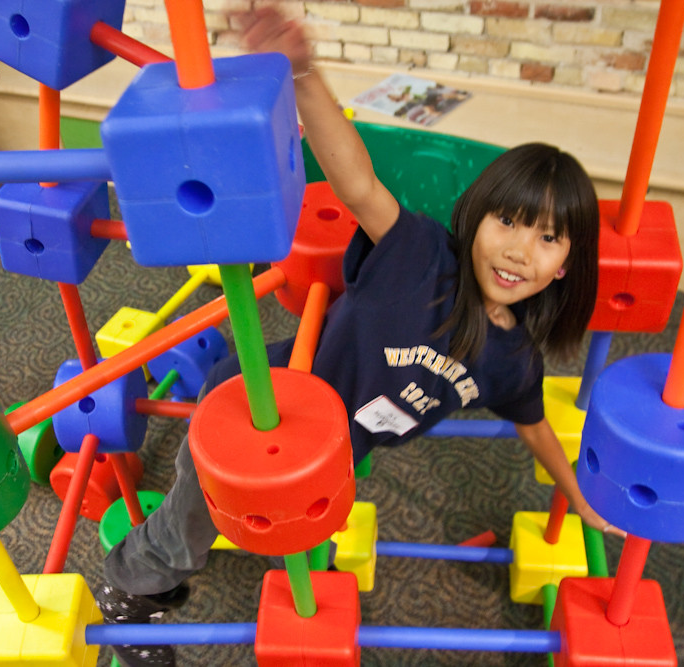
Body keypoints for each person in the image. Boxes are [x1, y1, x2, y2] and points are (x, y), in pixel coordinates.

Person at [96, 8, 622, 666]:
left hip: (326, 451)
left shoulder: (513, 359)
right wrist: (306, 72)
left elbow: (536, 425)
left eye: (547, 237)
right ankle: (131, 586)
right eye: (509, 222)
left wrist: (578, 497)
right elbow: (357, 181)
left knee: (275, 521)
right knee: (194, 523)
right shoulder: (421, 255)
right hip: (257, 409)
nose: (520, 251)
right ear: (476, 218)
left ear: (566, 264)